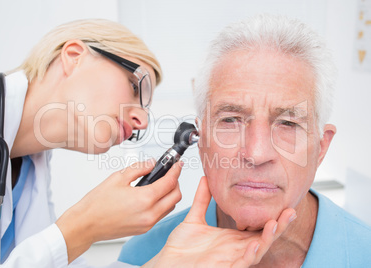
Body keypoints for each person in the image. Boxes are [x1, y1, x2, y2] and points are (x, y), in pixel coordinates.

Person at [0, 18, 294, 268]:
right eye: (136, 86)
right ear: (74, 56)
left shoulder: (33, 172)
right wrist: (82, 227)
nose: (141, 120)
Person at [118, 14, 371, 267]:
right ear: (201, 139)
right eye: (230, 120)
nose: (257, 153)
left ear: (321, 148)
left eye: (288, 123)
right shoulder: (144, 257)